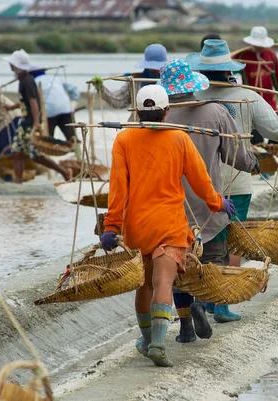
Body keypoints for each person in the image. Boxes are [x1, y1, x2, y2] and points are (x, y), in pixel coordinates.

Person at [100, 84, 235, 367]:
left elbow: (118, 189)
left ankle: (148, 340)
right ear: (166, 112)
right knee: (164, 282)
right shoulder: (179, 138)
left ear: (137, 112)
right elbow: (200, 181)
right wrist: (217, 203)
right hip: (170, 223)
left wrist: (112, 225)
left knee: (144, 286)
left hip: (138, 226)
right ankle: (158, 344)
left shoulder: (124, 139)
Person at [187, 39, 278, 320]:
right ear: (228, 71)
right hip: (235, 182)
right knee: (229, 242)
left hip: (196, 184)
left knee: (202, 241)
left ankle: (204, 298)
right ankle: (220, 303)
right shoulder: (247, 96)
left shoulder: (192, 97)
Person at [159, 58, 257, 339]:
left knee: (177, 266)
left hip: (171, 207)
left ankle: (186, 326)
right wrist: (253, 164)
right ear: (192, 86)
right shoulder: (216, 113)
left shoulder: (160, 118)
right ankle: (202, 303)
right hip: (209, 205)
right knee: (212, 260)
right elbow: (235, 155)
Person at [3, 49, 72, 183]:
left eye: (12, 64)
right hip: (24, 122)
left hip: (29, 123)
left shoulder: (27, 81)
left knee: (36, 156)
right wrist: (12, 107)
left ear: (17, 66)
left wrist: (36, 123)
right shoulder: (23, 80)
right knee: (17, 152)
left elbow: (33, 102)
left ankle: (64, 171)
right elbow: (25, 102)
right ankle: (18, 181)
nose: (10, 67)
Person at [91, 44, 168, 120]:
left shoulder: (170, 82)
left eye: (158, 67)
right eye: (152, 67)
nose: (155, 70)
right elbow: (118, 101)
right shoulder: (135, 82)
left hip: (166, 126)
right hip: (137, 125)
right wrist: (101, 88)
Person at [233, 26, 278, 110]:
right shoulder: (241, 56)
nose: (260, 47)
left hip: (269, 101)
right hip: (250, 101)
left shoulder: (271, 55)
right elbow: (229, 73)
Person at [31, 67, 79, 144]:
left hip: (48, 114)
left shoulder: (34, 82)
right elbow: (73, 88)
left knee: (47, 139)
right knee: (72, 137)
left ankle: (47, 152)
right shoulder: (55, 78)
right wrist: (73, 103)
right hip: (66, 109)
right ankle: (78, 154)